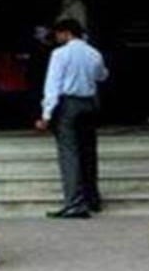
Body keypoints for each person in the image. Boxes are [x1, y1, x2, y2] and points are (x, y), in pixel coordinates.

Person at [35, 18, 108, 219]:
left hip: (68, 105)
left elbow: (53, 85)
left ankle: (75, 202)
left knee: (69, 154)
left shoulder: (60, 54)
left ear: (66, 33)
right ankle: (92, 197)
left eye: (58, 34)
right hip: (89, 104)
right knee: (88, 151)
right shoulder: (94, 53)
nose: (57, 38)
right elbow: (102, 76)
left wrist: (46, 114)